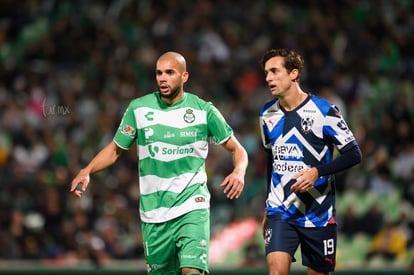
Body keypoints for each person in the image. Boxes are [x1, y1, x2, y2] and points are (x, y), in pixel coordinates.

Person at [70, 51, 248, 275]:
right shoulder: (139, 109)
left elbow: (237, 149)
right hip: (154, 213)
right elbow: (116, 149)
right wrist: (87, 170)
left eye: (170, 72)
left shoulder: (204, 110)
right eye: (159, 73)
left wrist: (239, 171)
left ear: (184, 77)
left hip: (192, 204)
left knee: (193, 271)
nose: (163, 78)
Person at [259, 48, 362, 275]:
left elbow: (354, 153)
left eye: (275, 71)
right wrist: (268, 201)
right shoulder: (266, 113)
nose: (268, 78)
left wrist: (317, 172)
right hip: (281, 210)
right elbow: (271, 156)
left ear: (294, 73)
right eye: (266, 72)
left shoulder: (324, 111)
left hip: (318, 213)